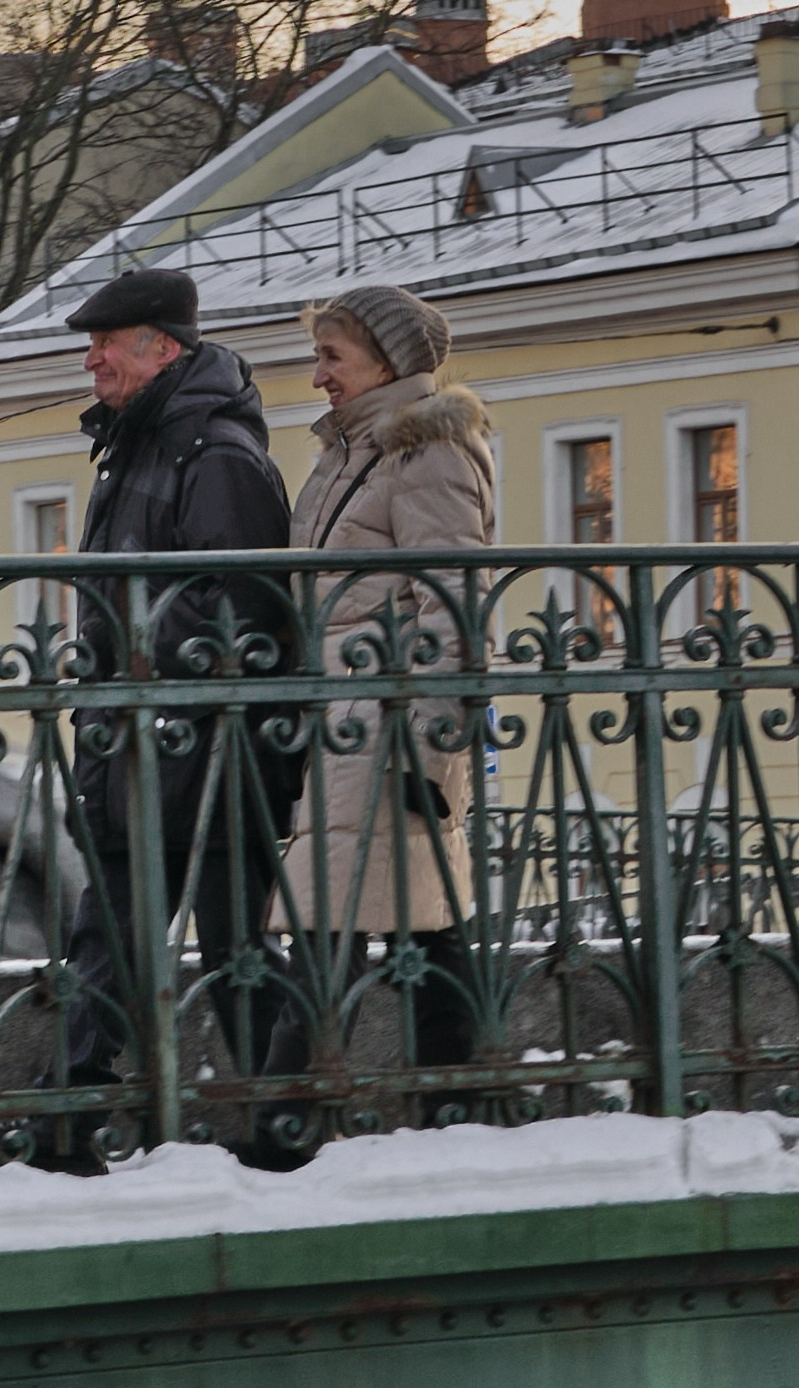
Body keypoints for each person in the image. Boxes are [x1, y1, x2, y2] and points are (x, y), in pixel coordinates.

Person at [45, 264, 293, 1172]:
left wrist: (145, 681)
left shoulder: (212, 451)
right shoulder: (139, 443)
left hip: (201, 743)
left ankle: (286, 1114)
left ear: (165, 347)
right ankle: (70, 1115)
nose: (91, 361)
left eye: (106, 344)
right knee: (123, 926)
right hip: (142, 736)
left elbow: (244, 603)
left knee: (217, 943)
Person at [257, 280, 496, 1165]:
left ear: (386, 364)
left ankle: (281, 1129)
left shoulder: (427, 450)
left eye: (333, 357)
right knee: (424, 922)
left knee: (333, 918)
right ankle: (460, 1110)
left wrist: (433, 733)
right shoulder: (350, 451)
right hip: (344, 712)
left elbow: (451, 599)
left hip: (388, 717)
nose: (317, 374)